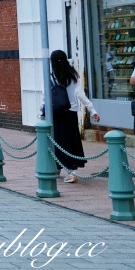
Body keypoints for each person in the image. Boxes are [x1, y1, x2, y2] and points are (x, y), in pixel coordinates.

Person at [48, 50, 99, 184]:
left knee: (57, 142)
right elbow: (81, 94)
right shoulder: (71, 76)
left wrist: (42, 112)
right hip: (71, 113)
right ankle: (66, 169)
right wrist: (92, 110)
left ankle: (68, 171)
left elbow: (46, 96)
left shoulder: (52, 76)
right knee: (70, 142)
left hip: (57, 113)